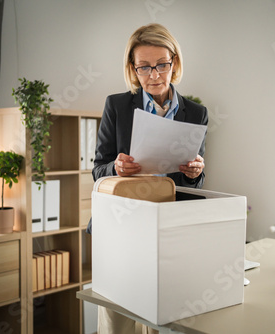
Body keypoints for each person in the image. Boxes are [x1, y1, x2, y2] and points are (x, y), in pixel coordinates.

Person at [92, 23, 208, 334]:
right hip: (121, 226)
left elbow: (191, 184)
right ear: (133, 68)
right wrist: (115, 167)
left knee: (158, 321)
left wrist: (195, 173)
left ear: (175, 62)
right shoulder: (116, 105)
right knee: (117, 321)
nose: (154, 75)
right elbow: (97, 170)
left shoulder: (196, 112)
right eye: (144, 67)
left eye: (162, 65)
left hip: (166, 229)